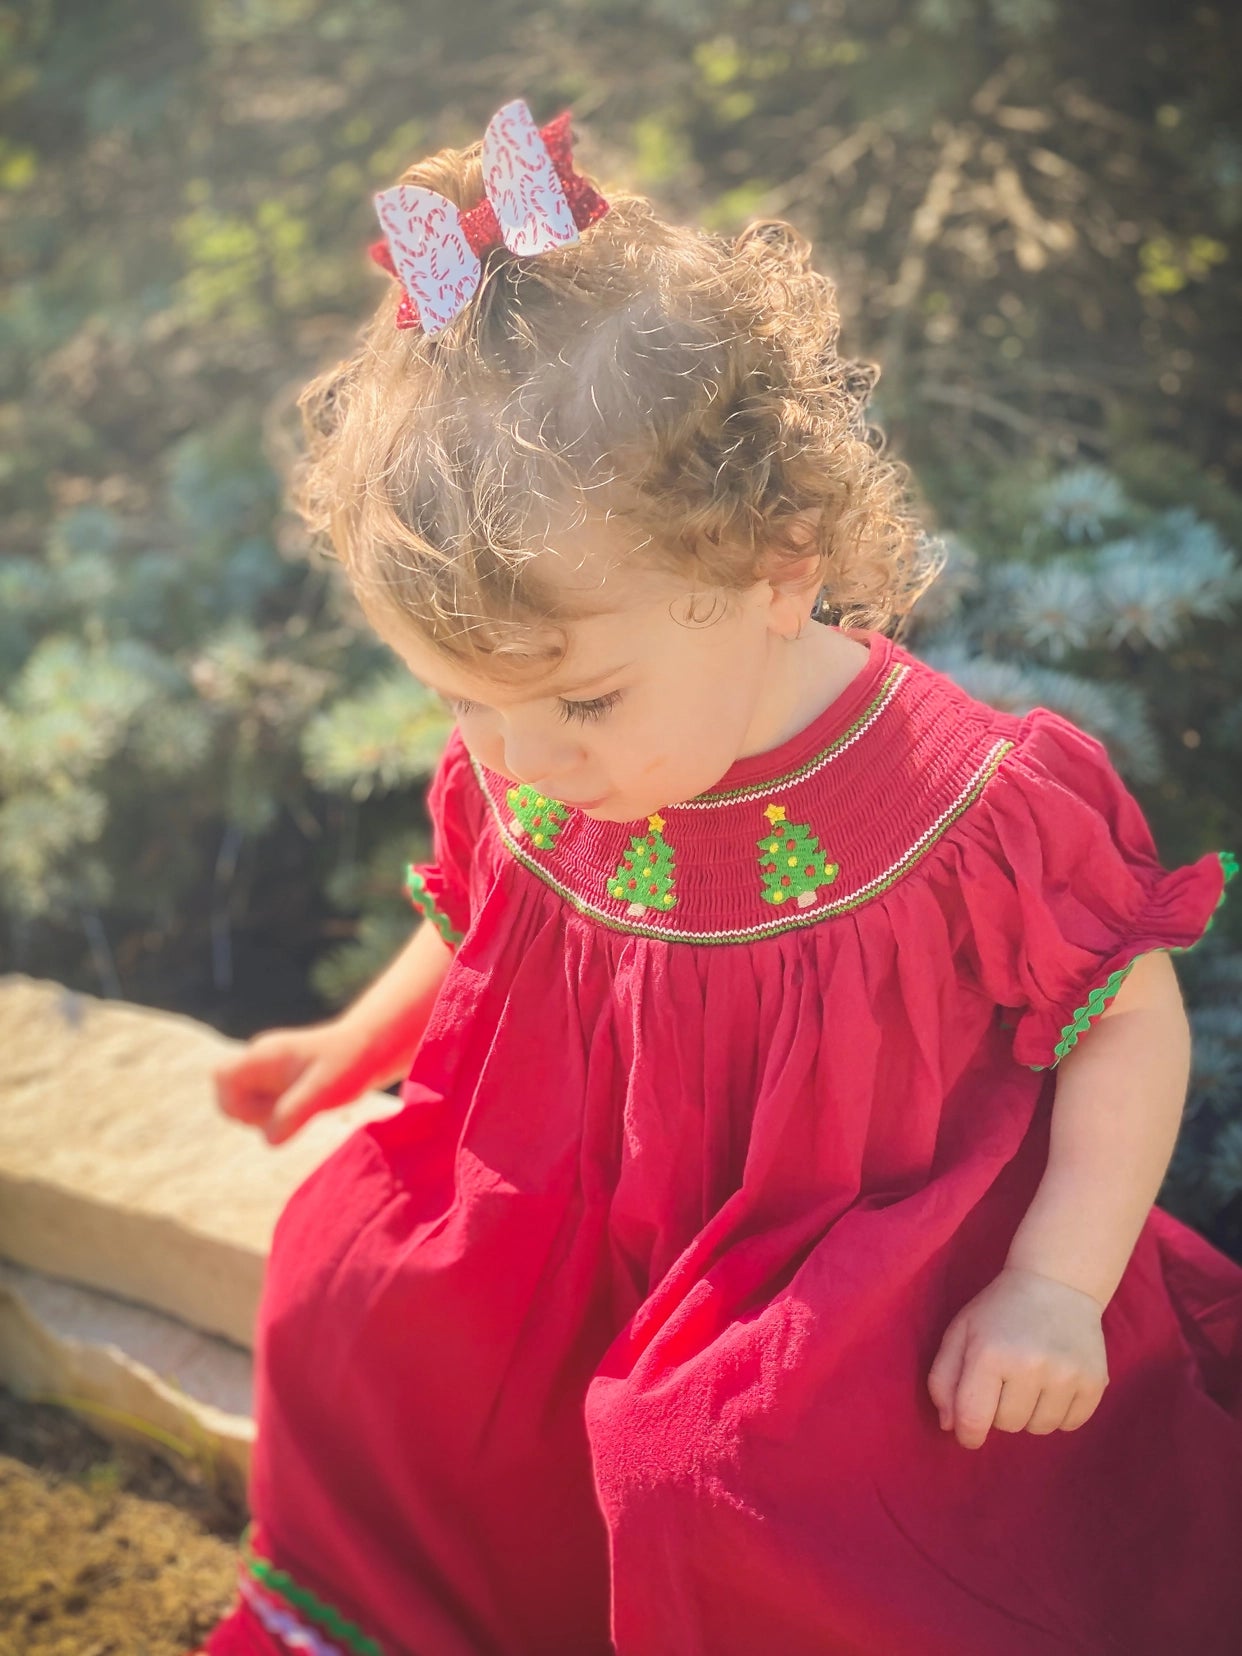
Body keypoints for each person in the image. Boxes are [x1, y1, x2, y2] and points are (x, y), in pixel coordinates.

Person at [197, 100, 1242, 1656]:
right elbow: (497, 921)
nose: (521, 756)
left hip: (847, 1257)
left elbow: (1123, 1020)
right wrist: (353, 1041)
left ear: (775, 569)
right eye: (461, 700)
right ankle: (409, 1624)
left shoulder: (968, 800)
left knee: (713, 1470)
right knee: (348, 1291)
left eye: (579, 700)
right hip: (576, 1200)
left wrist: (1051, 1283)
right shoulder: (549, 749)